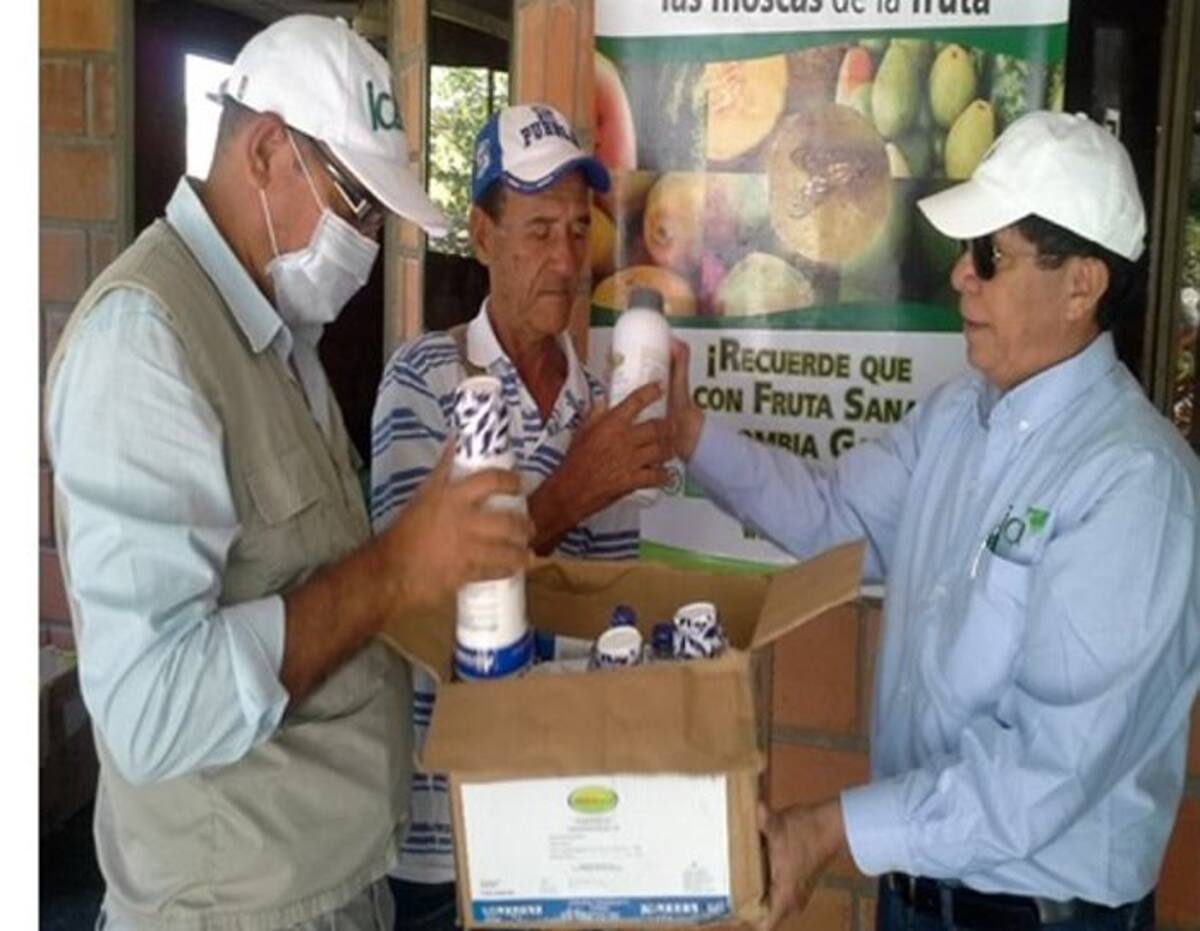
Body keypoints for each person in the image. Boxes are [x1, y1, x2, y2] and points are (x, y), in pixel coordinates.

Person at [45, 15, 530, 931]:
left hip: (331, 889)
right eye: (358, 202)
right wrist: (398, 567)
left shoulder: (277, 339)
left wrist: (435, 566)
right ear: (267, 150)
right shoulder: (146, 344)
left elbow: (302, 585)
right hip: (233, 910)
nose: (369, 238)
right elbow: (154, 710)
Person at [667, 111, 1200, 931]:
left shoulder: (1133, 481)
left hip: (1038, 917)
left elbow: (1042, 770)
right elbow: (831, 513)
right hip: (916, 892)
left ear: (1082, 284)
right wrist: (687, 435)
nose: (960, 277)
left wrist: (829, 827)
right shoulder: (956, 416)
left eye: (988, 254)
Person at [370, 103, 673, 930]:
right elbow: (410, 611)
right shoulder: (425, 381)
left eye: (578, 231)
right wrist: (571, 489)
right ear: (481, 234)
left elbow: (609, 611)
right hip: (449, 835)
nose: (565, 259)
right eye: (538, 231)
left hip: (575, 820)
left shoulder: (604, 399)